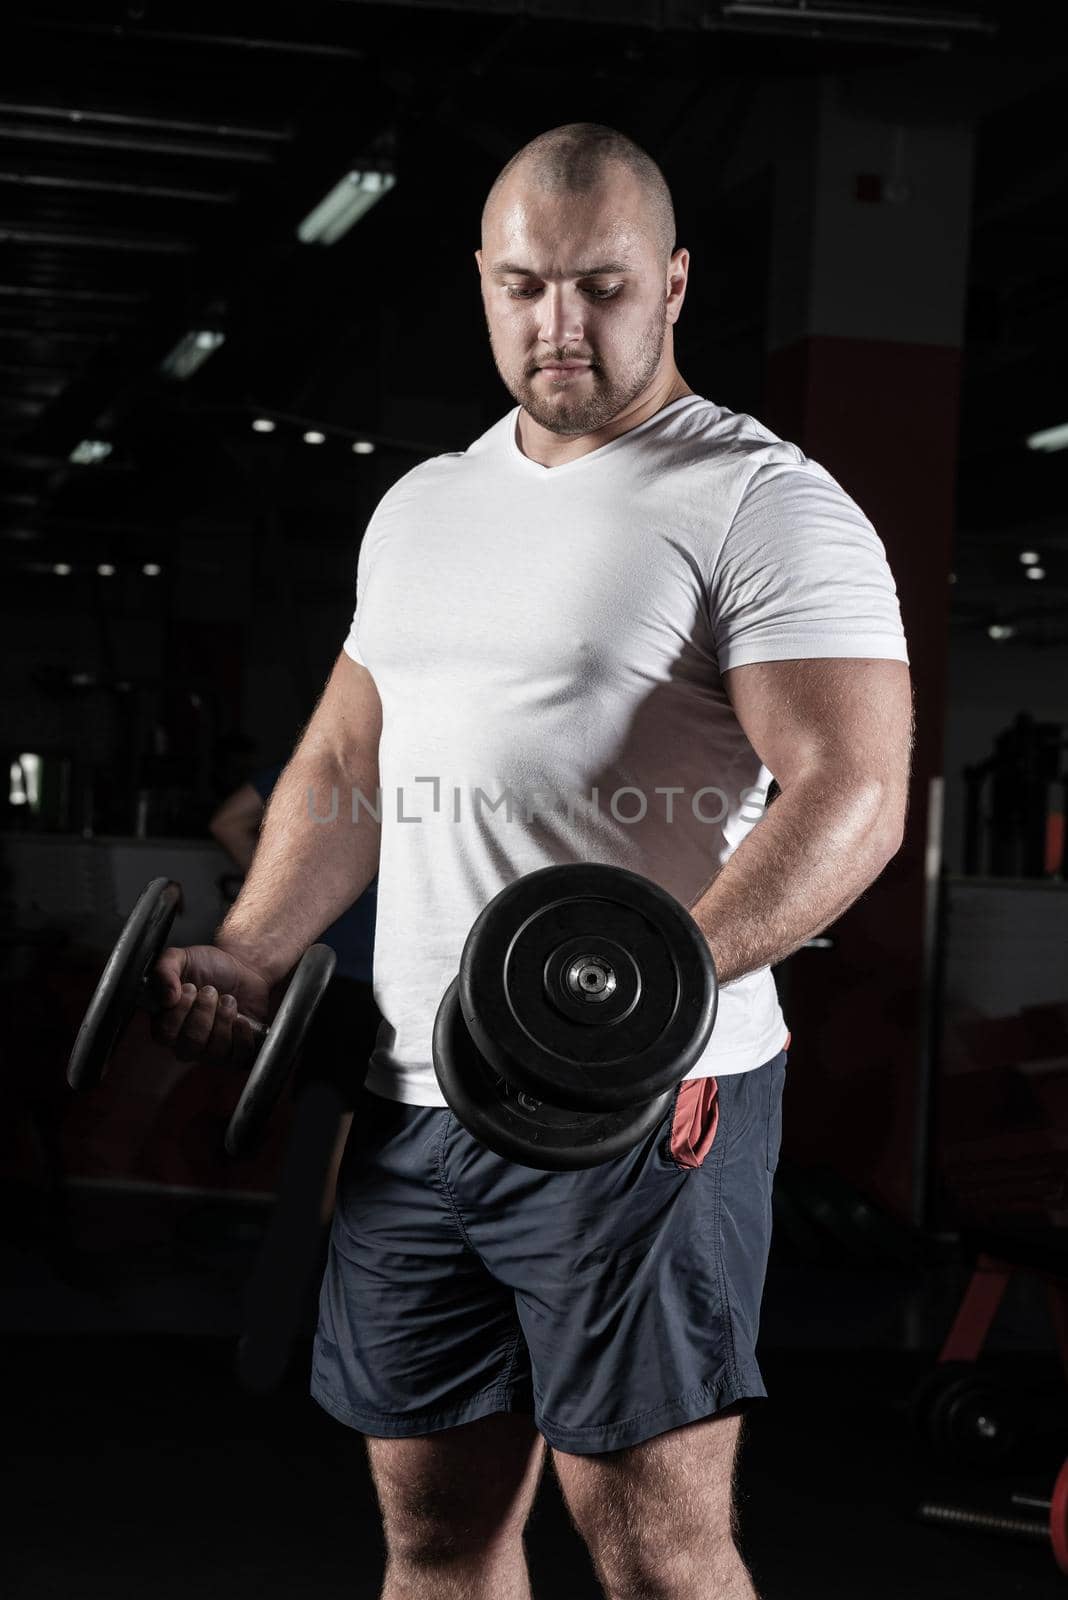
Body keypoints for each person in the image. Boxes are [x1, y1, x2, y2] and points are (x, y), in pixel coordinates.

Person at [152, 123, 912, 1600]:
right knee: (435, 1538)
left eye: (602, 287)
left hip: (633, 1113)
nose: (561, 326)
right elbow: (344, 768)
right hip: (412, 1100)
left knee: (652, 1548)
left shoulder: (762, 500)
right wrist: (249, 952)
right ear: (484, 286)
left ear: (675, 283)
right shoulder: (427, 504)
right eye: (524, 288)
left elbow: (857, 794)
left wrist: (663, 983)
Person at [209, 765, 379, 1389]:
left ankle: (273, 1346)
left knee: (319, 1182)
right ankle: (319, 1355)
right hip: (394, 999)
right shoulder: (436, 752)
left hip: (332, 993)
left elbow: (227, 823)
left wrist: (292, 897)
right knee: (349, 1185)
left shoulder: (320, 759)